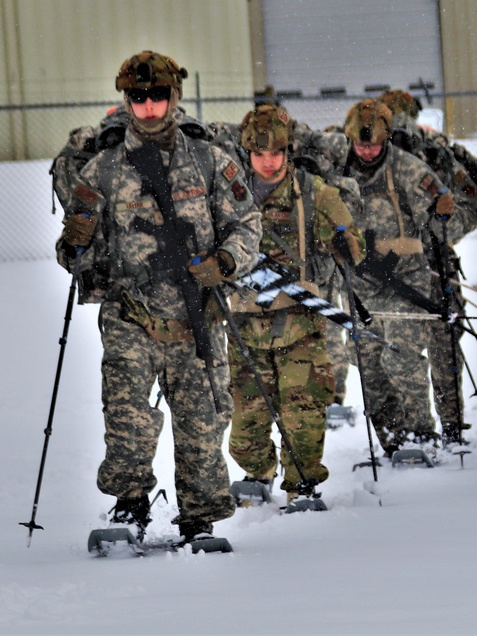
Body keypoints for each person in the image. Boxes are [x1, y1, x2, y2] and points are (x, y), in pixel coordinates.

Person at [55, 51, 262, 543]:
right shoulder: (103, 169)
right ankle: (130, 506)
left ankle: (200, 516)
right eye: (138, 97)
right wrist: (77, 240)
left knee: (202, 422)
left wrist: (226, 262)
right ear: (126, 100)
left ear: (175, 96)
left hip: (198, 319)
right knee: (126, 418)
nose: (148, 106)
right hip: (132, 317)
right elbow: (72, 257)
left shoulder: (210, 160)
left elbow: (246, 225)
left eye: (158, 96)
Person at [225, 103, 365, 504]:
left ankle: (301, 484)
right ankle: (258, 471)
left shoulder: (313, 192)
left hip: (301, 324)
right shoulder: (229, 193)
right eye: (258, 154)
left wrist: (344, 244)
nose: (267, 163)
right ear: (247, 153)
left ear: (288, 152)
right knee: (245, 427)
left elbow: (353, 244)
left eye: (275, 154)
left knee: (302, 418)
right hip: (245, 325)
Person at [338, 99, 464, 457]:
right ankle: (393, 439)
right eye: (360, 145)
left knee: (402, 358)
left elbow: (446, 222)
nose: (366, 152)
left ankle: (421, 435)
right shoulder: (339, 169)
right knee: (369, 366)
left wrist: (442, 210)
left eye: (373, 145)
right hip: (360, 287)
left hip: (405, 283)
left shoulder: (408, 169)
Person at [377, 89, 477, 444]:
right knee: (392, 348)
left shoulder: (435, 156)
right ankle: (405, 430)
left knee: (444, 342)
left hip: (436, 264)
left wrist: (435, 226)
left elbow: (468, 208)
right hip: (387, 268)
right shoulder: (370, 159)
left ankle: (451, 425)